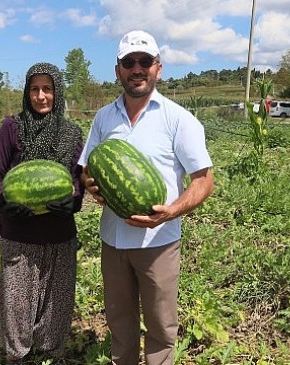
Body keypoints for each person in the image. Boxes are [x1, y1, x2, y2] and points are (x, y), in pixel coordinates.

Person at [78, 30, 215, 365]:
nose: (136, 68)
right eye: (128, 62)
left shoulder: (178, 118)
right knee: (120, 325)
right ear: (118, 70)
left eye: (144, 61)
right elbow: (86, 168)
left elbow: (204, 180)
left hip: (160, 243)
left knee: (160, 328)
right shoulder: (103, 117)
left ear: (158, 68)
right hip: (113, 241)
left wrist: (171, 211)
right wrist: (91, 185)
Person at [0, 62, 84, 364]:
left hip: (60, 234)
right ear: (26, 93)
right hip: (19, 232)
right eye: (34, 89)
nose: (41, 96)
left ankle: (50, 356)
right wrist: (3, 201)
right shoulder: (11, 127)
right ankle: (17, 357)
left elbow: (78, 179)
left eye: (48, 89)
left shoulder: (72, 133)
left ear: (58, 92)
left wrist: (75, 201)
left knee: (57, 305)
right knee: (16, 307)